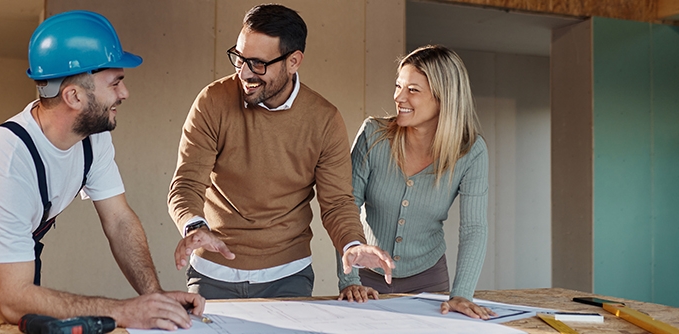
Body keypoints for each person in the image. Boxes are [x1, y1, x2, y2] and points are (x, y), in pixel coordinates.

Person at [0, 10, 204, 333]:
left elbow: (119, 219)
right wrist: (125, 311)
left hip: (17, 259)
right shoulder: (6, 165)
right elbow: (13, 299)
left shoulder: (93, 138)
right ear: (73, 96)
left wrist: (155, 299)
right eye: (115, 83)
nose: (124, 94)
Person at [168, 4, 395, 299]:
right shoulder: (213, 101)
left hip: (288, 275)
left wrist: (352, 243)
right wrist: (194, 225)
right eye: (239, 59)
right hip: (213, 271)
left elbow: (337, 202)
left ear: (293, 62)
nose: (245, 73)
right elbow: (186, 184)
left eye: (258, 64)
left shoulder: (324, 119)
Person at [335, 45, 496, 319]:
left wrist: (461, 294)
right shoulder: (373, 136)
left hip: (430, 281)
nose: (399, 97)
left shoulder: (470, 151)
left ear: (444, 98)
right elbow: (345, 205)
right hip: (367, 282)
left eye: (413, 89)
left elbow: (474, 229)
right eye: (398, 86)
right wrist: (350, 281)